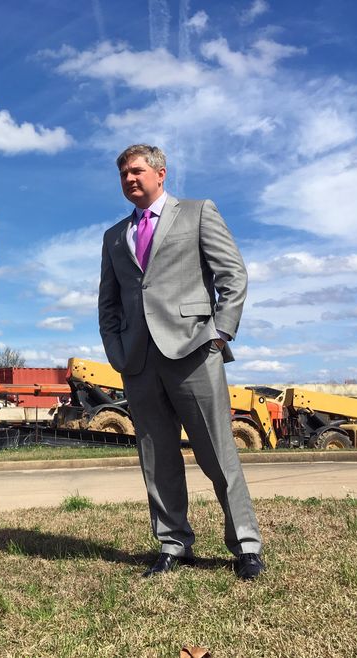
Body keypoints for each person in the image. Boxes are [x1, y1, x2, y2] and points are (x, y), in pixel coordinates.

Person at [97, 144, 264, 580]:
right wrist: (116, 350)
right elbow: (108, 303)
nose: (130, 179)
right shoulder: (114, 236)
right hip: (138, 360)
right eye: (123, 174)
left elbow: (233, 275)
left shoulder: (197, 212)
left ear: (160, 173)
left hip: (194, 351)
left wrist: (219, 333)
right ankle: (173, 543)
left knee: (217, 452)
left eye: (136, 171)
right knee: (157, 457)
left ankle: (246, 545)